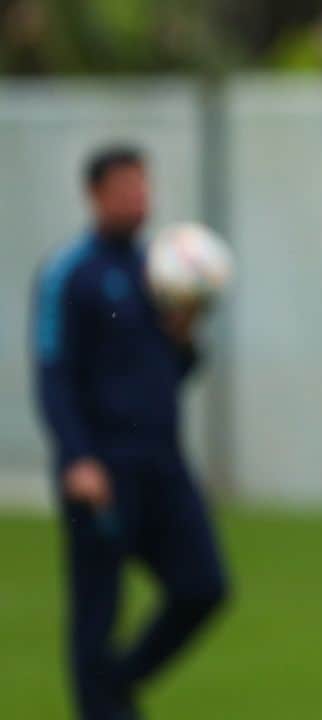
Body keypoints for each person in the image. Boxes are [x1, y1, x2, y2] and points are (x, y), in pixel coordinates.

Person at [31, 145, 228, 720]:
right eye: (125, 189)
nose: (138, 199)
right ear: (95, 195)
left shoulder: (157, 271)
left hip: (162, 463)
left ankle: (117, 686)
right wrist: (77, 457)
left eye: (143, 187)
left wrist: (185, 334)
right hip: (102, 467)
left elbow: (172, 370)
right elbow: (53, 371)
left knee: (203, 587)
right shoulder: (71, 272)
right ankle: (104, 705)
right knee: (97, 609)